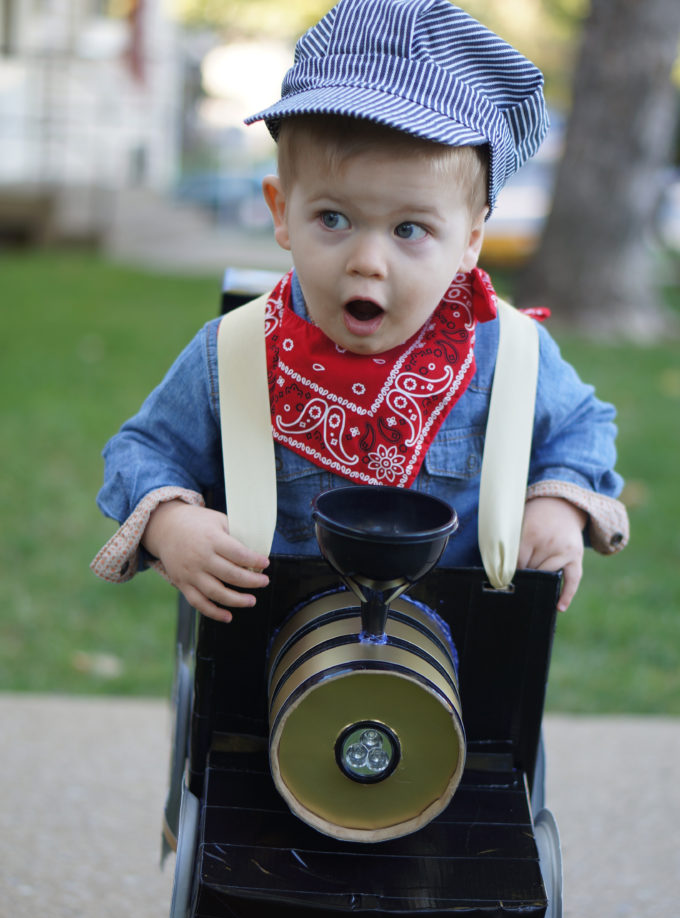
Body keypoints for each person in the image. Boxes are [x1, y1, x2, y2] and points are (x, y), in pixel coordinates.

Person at [92, 0, 628, 623]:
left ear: (471, 241)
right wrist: (171, 523)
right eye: (334, 219)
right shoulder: (234, 356)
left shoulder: (506, 353)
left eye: (409, 229)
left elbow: (582, 429)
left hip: (468, 671)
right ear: (280, 211)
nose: (368, 261)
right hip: (271, 664)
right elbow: (142, 450)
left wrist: (559, 505)